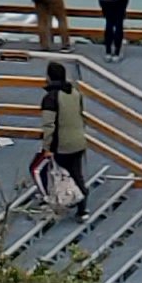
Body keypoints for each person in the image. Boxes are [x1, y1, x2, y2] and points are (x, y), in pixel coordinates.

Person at [40, 59, 91, 222]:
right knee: (76, 173)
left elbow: (49, 125)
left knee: (51, 173)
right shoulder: (75, 93)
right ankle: (82, 208)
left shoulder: (50, 98)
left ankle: (58, 201)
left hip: (62, 144)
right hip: (79, 140)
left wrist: (47, 147)